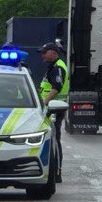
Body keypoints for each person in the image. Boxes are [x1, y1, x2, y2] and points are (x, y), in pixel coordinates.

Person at [37, 40, 70, 171]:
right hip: (50, 108)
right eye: (42, 53)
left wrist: (43, 103)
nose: (42, 55)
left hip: (54, 108)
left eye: (45, 53)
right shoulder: (53, 66)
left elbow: (56, 88)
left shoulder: (58, 67)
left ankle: (57, 171)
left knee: (54, 140)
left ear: (53, 53)